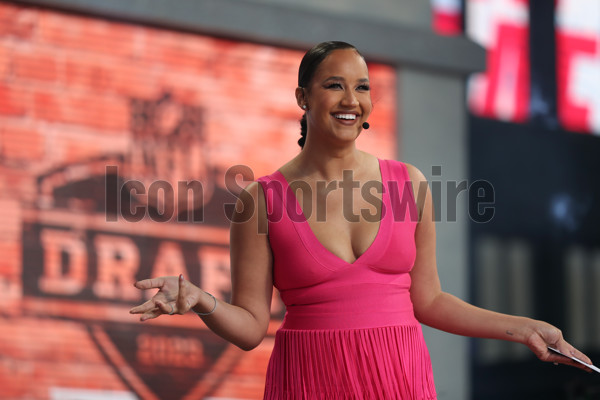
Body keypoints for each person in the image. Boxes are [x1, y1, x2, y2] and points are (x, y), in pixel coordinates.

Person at [130, 41, 593, 399]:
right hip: (310, 378)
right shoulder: (260, 199)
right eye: (334, 84)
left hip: (399, 375)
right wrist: (198, 300)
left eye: (363, 86)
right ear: (302, 96)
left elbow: (428, 300)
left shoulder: (408, 184)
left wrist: (525, 328)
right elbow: (252, 327)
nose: (351, 99)